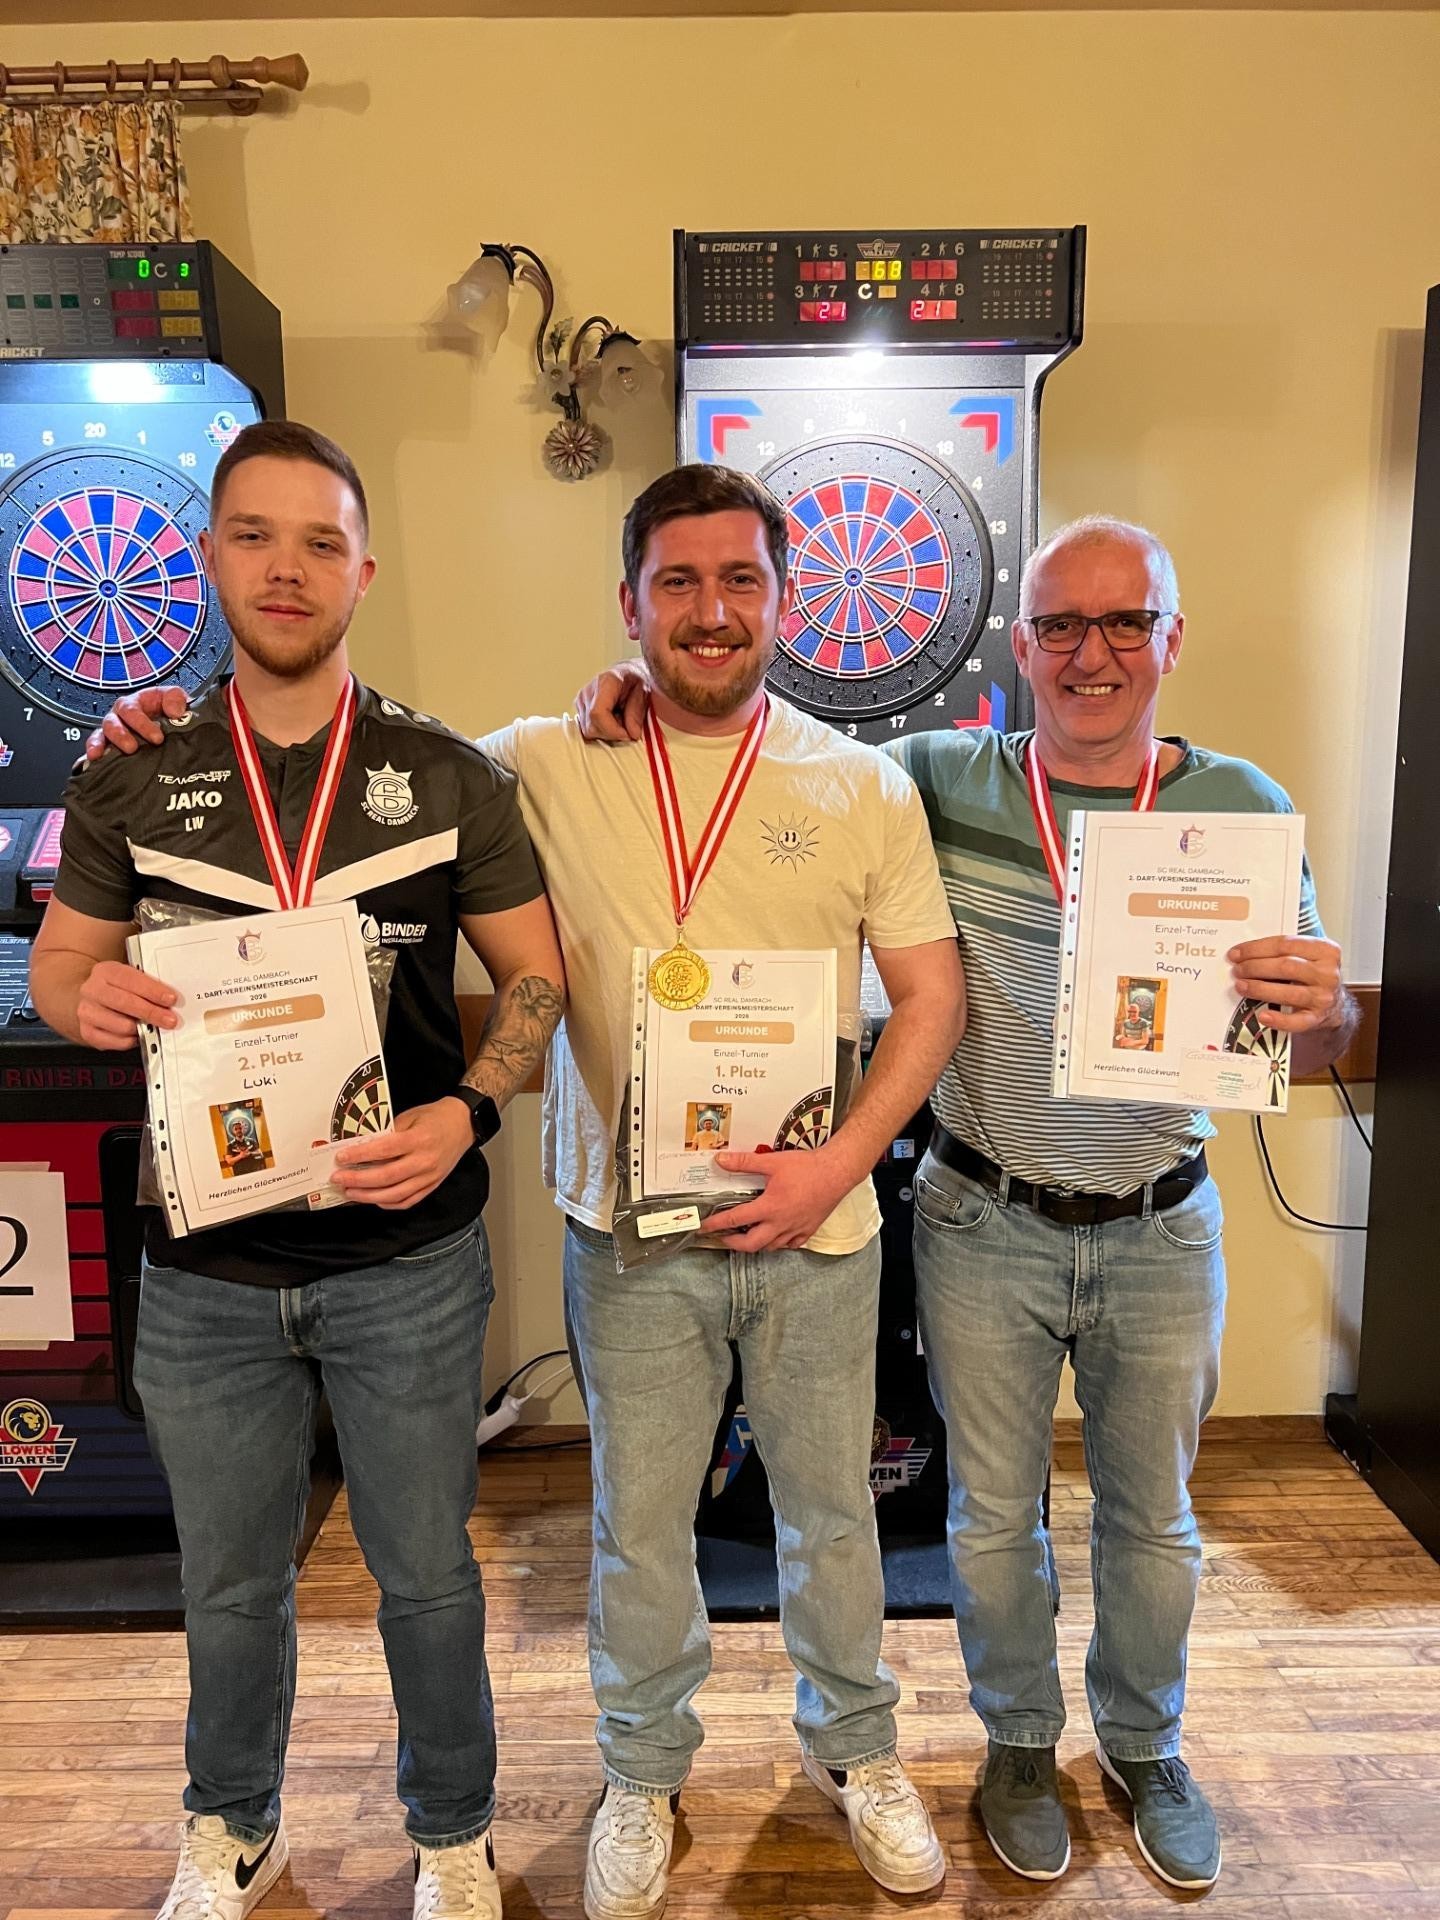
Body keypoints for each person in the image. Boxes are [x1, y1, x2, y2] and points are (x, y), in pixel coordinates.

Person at [90, 463, 967, 1920]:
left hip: (820, 1224)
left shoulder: (861, 784)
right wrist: (151, 727)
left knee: (833, 1516)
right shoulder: (531, 763)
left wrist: (840, 1162)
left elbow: (931, 1003)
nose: (709, 611)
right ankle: (641, 1770)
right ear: (628, 605)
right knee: (638, 1523)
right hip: (630, 1233)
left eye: (739, 580)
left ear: (786, 599)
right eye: (676, 583)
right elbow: (337, 757)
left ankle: (855, 1750)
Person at [577, 513, 1356, 1895]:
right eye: (1060, 625)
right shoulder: (934, 777)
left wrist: (1327, 1010)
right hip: (981, 1220)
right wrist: (636, 691)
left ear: (1173, 638)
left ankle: (1147, 1744)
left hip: (1164, 1222)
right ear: (1021, 646)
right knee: (993, 1522)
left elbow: (1308, 1032)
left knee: (1155, 1521)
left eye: (1126, 622)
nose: (1092, 654)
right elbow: (764, 759)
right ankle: (1017, 1745)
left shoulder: (1242, 805)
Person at [35, 421, 566, 1920]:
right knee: (229, 1584)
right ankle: (232, 1826)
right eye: (256, 537)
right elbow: (64, 968)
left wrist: (466, 1113)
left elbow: (538, 983)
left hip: (405, 1261)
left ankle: (453, 1835)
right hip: (204, 1270)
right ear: (211, 558)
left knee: (428, 1576)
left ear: (362, 573)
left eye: (320, 542)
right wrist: (86, 997)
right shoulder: (133, 771)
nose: (288, 568)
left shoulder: (445, 775)